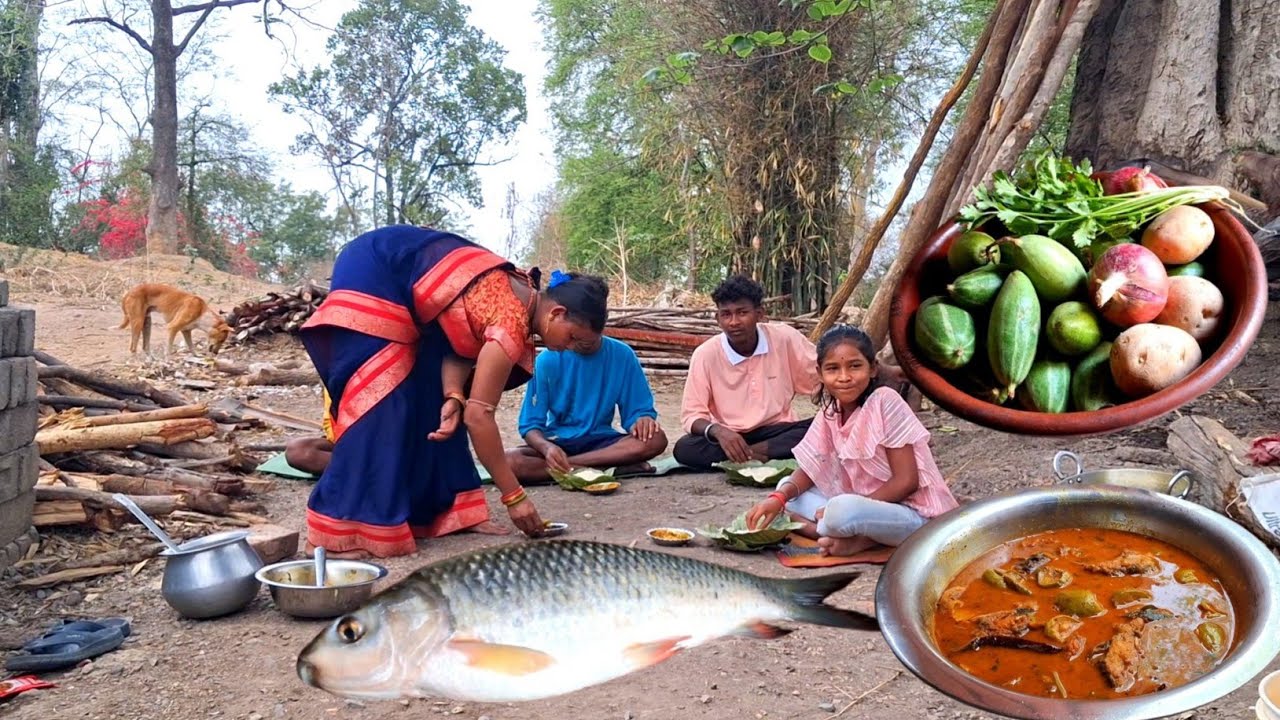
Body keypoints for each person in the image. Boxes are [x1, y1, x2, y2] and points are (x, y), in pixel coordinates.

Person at [298, 224, 608, 558]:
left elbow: (458, 342)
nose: (568, 348)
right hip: (376, 271)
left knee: (437, 409)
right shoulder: (511, 321)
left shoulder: (523, 294)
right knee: (383, 406)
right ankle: (337, 534)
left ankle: (447, 511)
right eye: (573, 338)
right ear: (557, 313)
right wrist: (514, 498)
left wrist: (452, 395)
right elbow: (481, 417)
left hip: (406, 293)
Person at [745, 325, 958, 556]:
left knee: (841, 510)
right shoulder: (831, 412)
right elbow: (810, 469)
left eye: (855, 366)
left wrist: (856, 505)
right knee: (786, 487)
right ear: (820, 373)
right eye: (833, 369)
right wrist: (778, 498)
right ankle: (847, 536)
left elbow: (906, 482)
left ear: (873, 368)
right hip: (860, 508)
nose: (844, 377)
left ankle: (829, 533)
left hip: (913, 515)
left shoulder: (885, 401)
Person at [673, 274, 819, 469]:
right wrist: (718, 431)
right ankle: (760, 453)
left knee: (823, 427)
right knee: (684, 448)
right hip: (730, 437)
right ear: (717, 319)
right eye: (726, 314)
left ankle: (752, 453)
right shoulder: (705, 354)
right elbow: (692, 415)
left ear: (759, 314)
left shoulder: (784, 338)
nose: (734, 322)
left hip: (778, 431)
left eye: (742, 312)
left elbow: (822, 378)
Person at [508, 335, 668, 483]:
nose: (584, 343)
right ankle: (606, 468)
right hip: (560, 444)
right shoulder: (547, 359)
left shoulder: (622, 354)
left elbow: (637, 413)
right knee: (510, 461)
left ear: (603, 322)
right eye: (576, 336)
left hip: (603, 444)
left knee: (656, 439)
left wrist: (641, 421)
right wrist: (547, 447)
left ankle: (569, 467)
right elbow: (530, 426)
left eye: (590, 338)